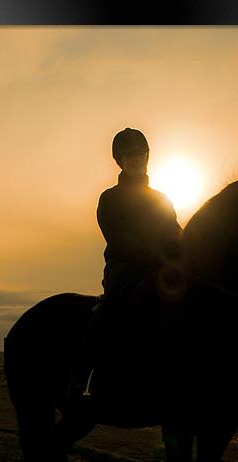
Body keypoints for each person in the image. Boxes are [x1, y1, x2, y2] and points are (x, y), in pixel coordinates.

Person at [68, 127, 182, 399]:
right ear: (119, 160)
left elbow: (174, 230)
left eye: (140, 154)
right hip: (126, 268)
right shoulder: (110, 199)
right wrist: (154, 255)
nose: (136, 159)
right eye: (129, 155)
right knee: (110, 309)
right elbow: (119, 239)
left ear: (147, 156)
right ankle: (85, 375)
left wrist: (183, 249)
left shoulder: (162, 198)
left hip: (162, 268)